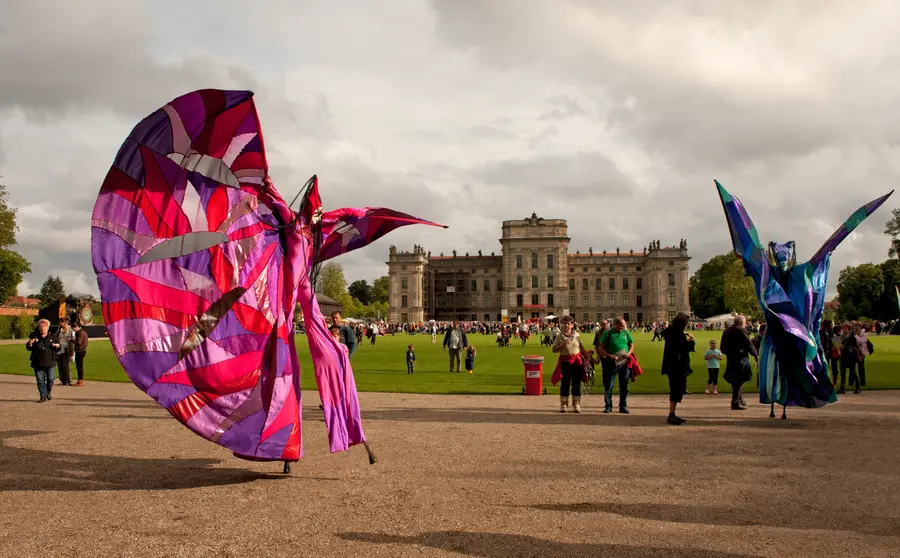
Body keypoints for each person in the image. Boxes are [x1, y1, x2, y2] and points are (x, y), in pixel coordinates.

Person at [661, 312, 695, 425]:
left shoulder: (673, 332)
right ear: (682, 323)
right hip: (676, 365)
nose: (687, 324)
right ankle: (671, 415)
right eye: (686, 322)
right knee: (676, 389)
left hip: (673, 365)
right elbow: (681, 348)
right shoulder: (677, 333)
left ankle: (673, 413)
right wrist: (691, 342)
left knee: (676, 389)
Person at [594, 317, 634, 414]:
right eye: (621, 325)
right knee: (609, 385)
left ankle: (623, 406)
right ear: (615, 324)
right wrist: (609, 355)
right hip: (611, 362)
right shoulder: (608, 333)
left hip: (623, 362)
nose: (623, 327)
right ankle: (608, 406)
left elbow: (631, 344)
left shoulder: (625, 332)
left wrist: (629, 353)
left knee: (624, 385)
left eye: (624, 325)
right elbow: (600, 348)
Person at [720, 315, 758, 410]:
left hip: (731, 358)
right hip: (741, 358)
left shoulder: (726, 331)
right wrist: (756, 355)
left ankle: (740, 399)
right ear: (741, 323)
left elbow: (722, 348)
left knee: (736, 380)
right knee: (740, 380)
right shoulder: (741, 331)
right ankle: (735, 402)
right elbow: (749, 345)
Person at [552, 317, 587, 413]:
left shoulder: (577, 335)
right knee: (565, 383)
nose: (566, 325)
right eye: (565, 323)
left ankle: (576, 404)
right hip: (565, 361)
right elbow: (554, 349)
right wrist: (561, 346)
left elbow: (582, 348)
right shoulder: (560, 336)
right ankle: (563, 404)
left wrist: (587, 358)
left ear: (572, 325)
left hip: (577, 362)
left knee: (576, 383)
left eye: (568, 323)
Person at [27, 319, 59, 403]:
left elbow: (59, 347)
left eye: (44, 326)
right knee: (40, 380)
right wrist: (30, 343)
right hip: (37, 361)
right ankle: (43, 395)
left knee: (51, 379)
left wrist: (57, 346)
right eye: (41, 326)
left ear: (48, 327)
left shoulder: (53, 336)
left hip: (50, 361)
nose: (42, 328)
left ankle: (48, 391)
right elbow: (28, 347)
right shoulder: (34, 336)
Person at [56, 318, 75, 386]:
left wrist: (72, 350)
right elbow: (56, 337)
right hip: (59, 348)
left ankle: (68, 379)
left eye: (61, 323)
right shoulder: (59, 329)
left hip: (66, 349)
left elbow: (73, 341)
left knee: (65, 365)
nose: (60, 324)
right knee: (60, 365)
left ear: (65, 323)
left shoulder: (71, 330)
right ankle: (62, 380)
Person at [72, 322, 89, 387]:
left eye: (73, 328)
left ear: (76, 327)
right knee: (79, 366)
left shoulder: (80, 332)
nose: (73, 330)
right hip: (82, 350)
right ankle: (80, 380)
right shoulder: (83, 331)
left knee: (79, 367)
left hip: (80, 351)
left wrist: (71, 340)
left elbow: (78, 342)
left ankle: (80, 381)